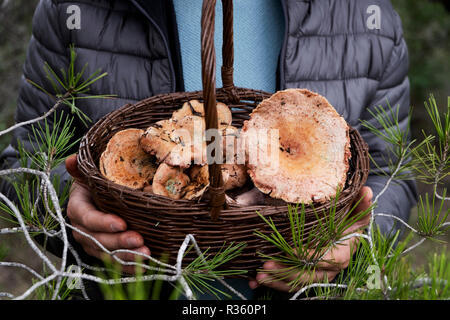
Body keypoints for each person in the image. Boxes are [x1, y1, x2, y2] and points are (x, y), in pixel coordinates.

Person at [0, 0, 417, 299]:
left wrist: (359, 235)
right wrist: (69, 211)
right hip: (125, 290)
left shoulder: (367, 17)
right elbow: (27, 163)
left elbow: (392, 173)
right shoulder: (71, 9)